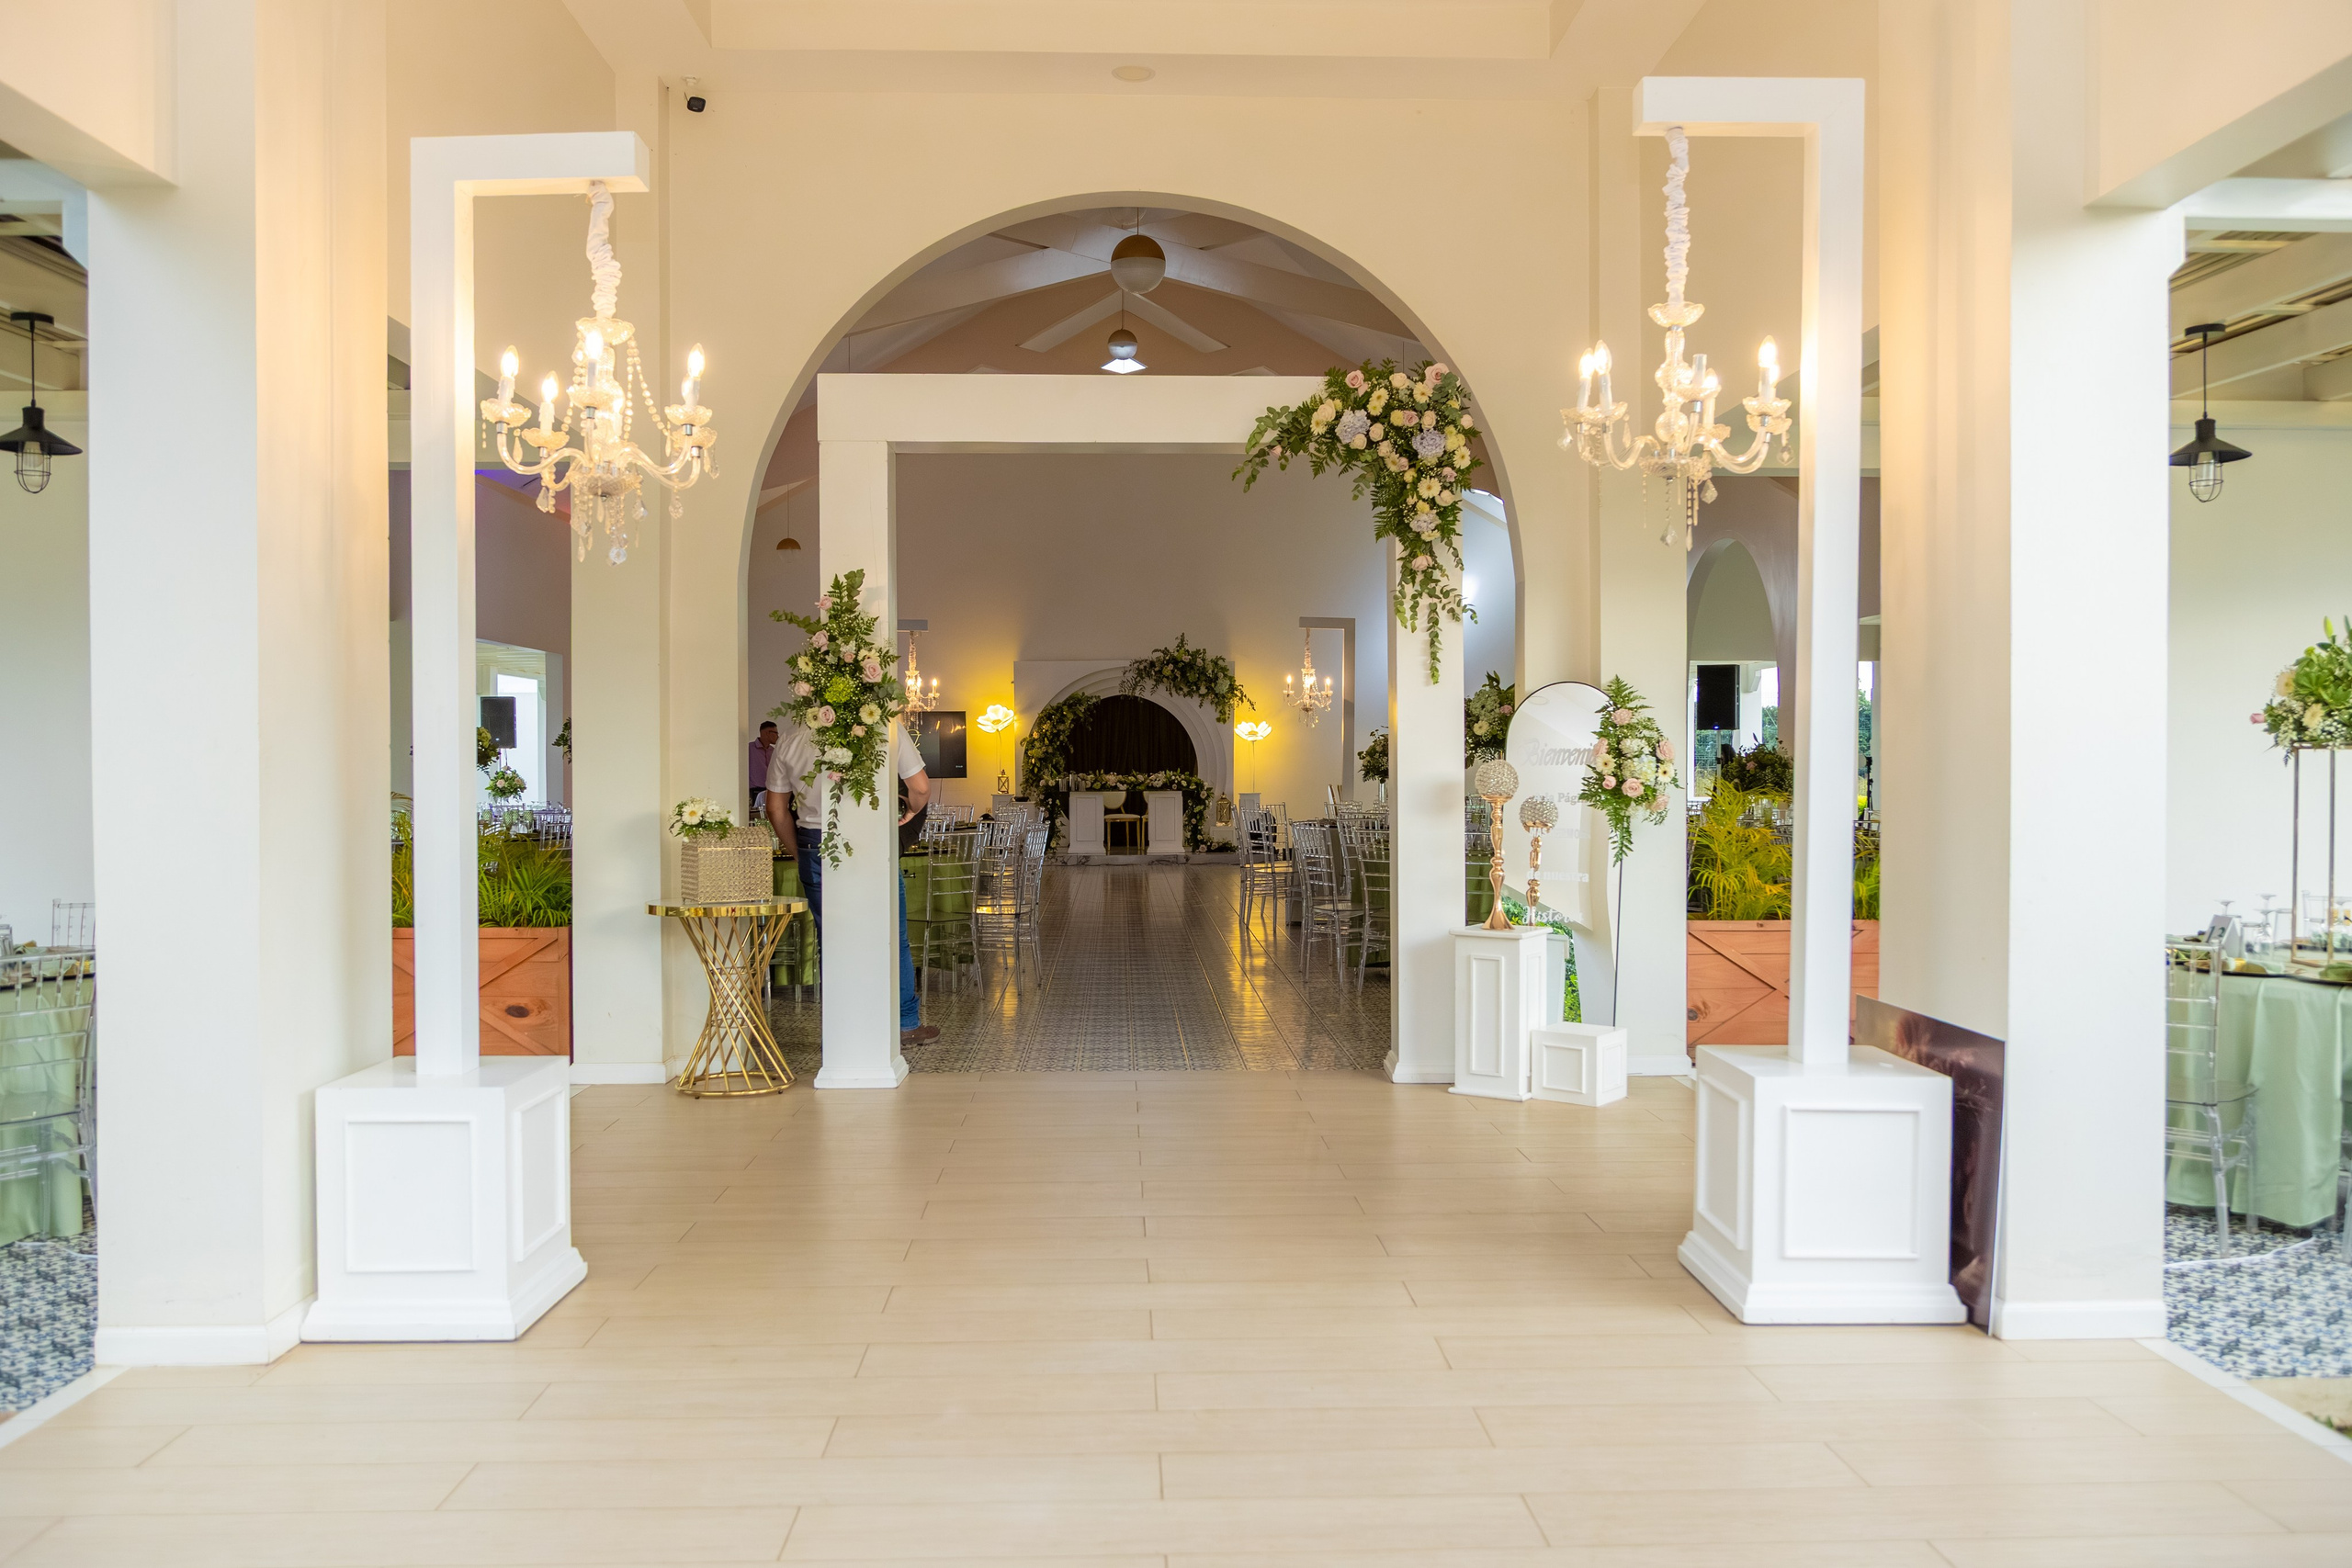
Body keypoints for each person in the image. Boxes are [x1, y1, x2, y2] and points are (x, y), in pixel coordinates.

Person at [763, 719, 939, 1049]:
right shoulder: (884, 727)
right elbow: (920, 788)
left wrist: (800, 854)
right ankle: (905, 1023)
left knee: (831, 939)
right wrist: (910, 813)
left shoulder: (789, 739)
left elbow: (775, 809)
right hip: (870, 840)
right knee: (891, 936)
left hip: (814, 843)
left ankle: (843, 1028)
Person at [748, 721, 778, 816]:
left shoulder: (773, 751)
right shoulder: (749, 749)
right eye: (775, 733)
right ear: (767, 733)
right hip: (754, 792)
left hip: (770, 790)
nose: (777, 736)